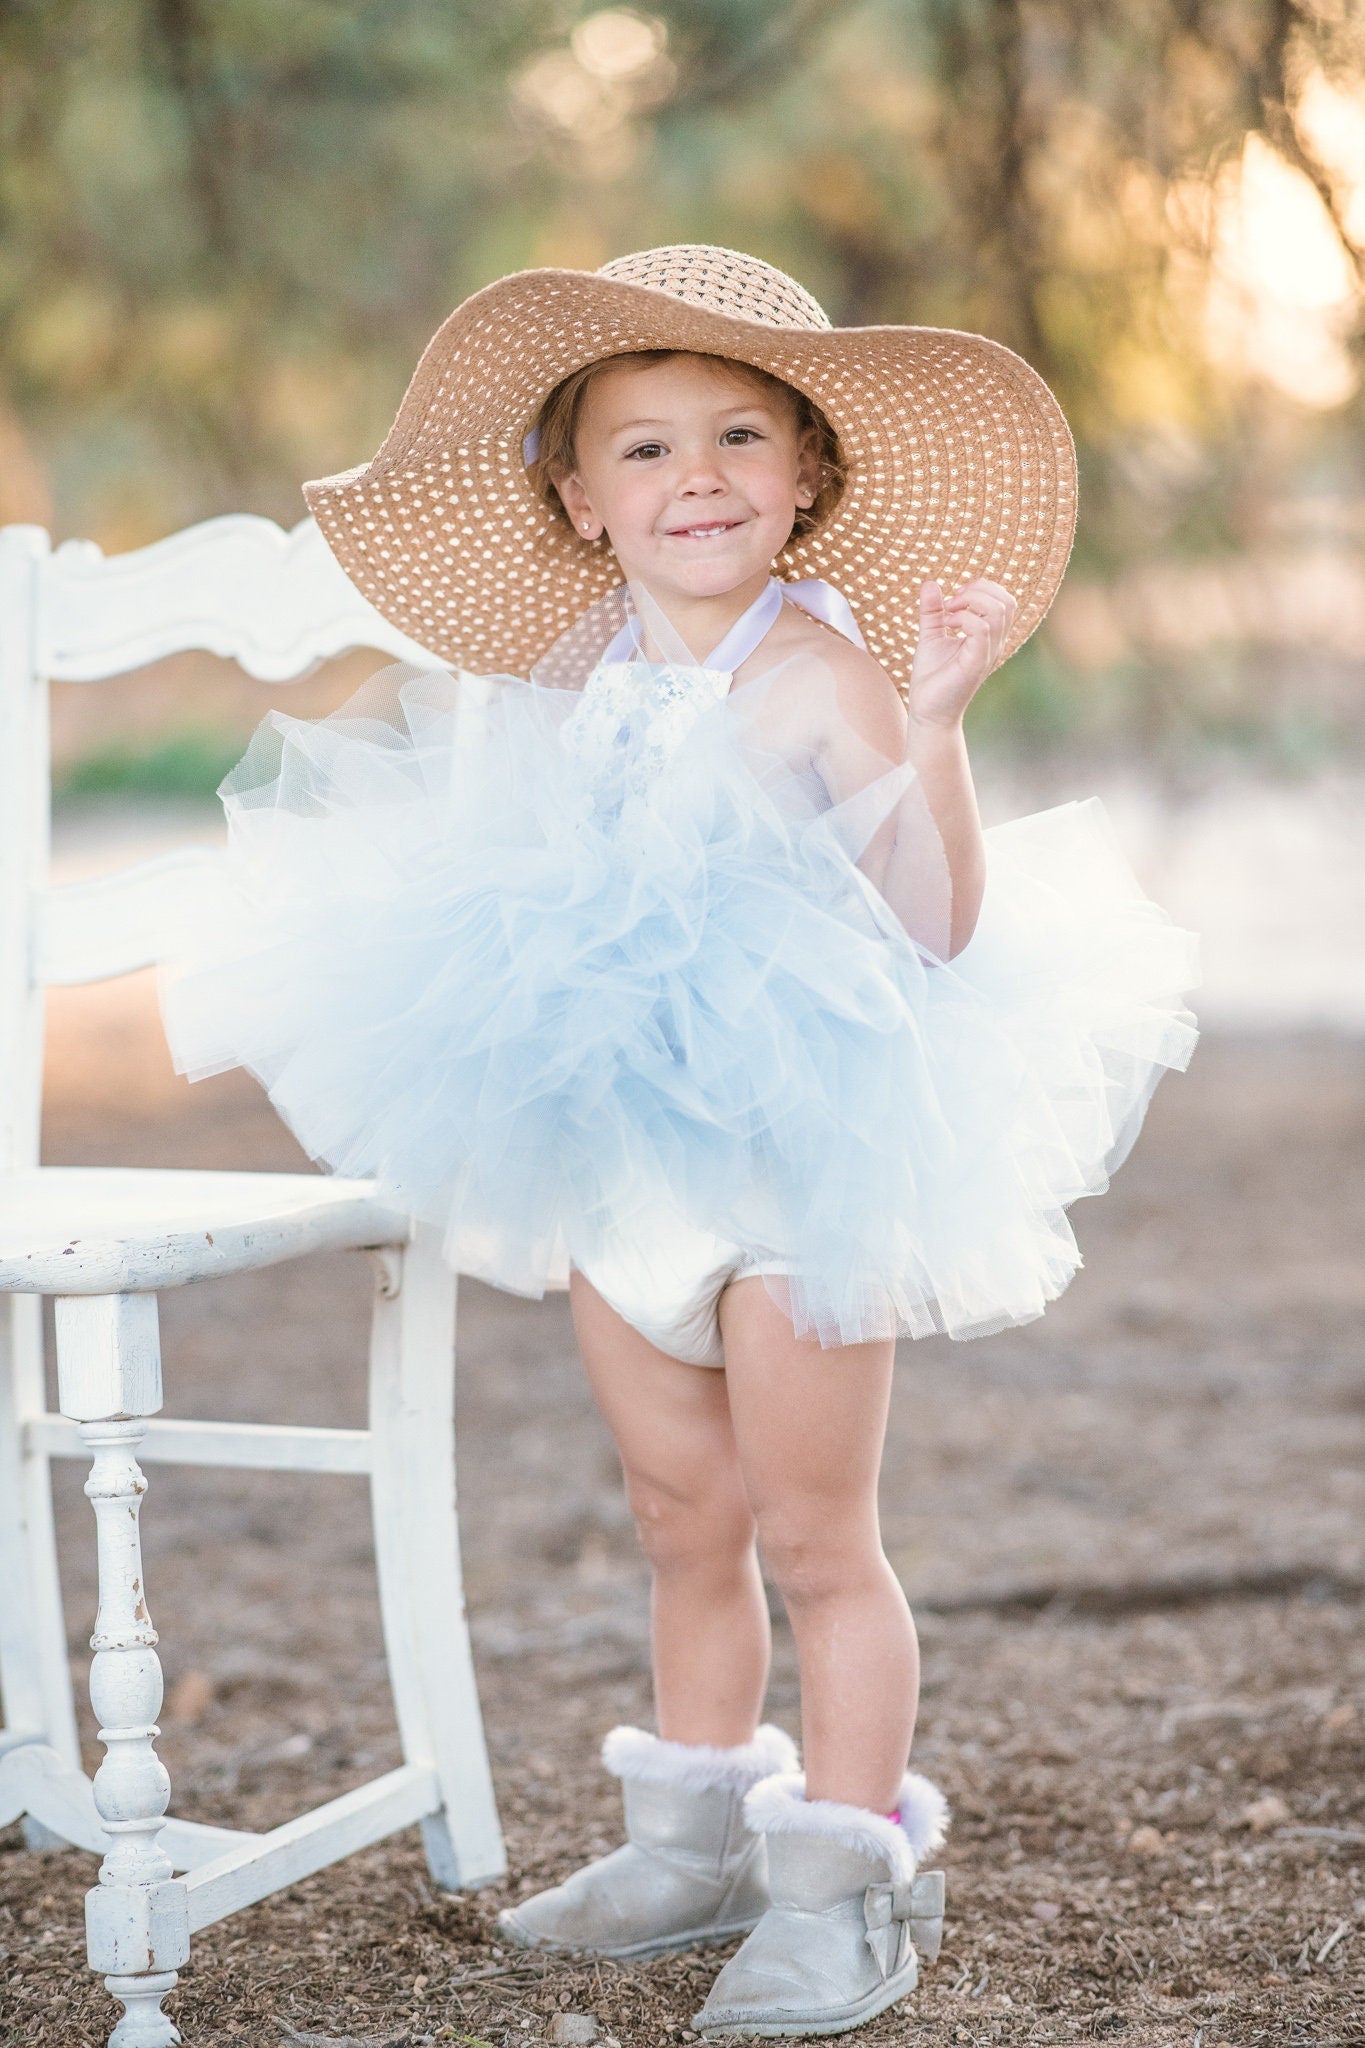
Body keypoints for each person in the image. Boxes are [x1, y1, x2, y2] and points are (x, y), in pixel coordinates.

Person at [159, 245, 1200, 2039]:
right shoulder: (566, 687)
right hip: (620, 1158)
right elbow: (531, 910)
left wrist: (936, 730)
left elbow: (936, 923)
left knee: (814, 1529)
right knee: (676, 1513)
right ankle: (692, 1834)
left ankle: (840, 1877)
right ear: (577, 500)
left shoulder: (823, 679)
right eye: (640, 449)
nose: (693, 475)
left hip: (801, 1164)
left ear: (807, 477)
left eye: (737, 434)